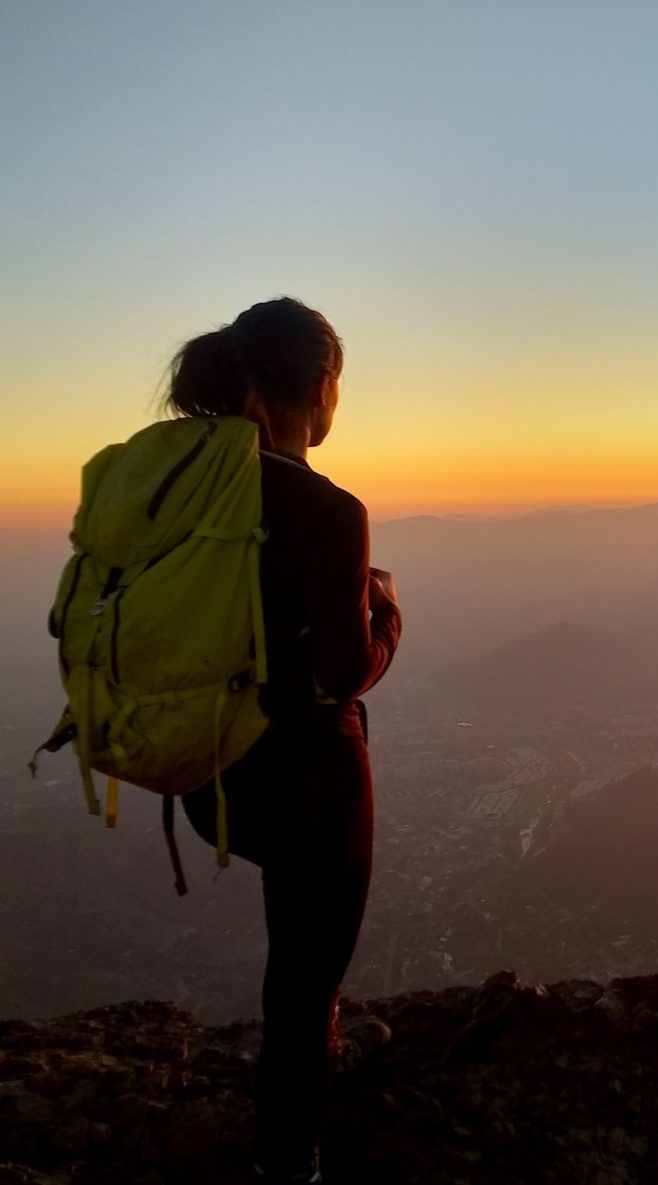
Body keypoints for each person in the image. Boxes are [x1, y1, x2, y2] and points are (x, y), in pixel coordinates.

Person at [166, 297, 402, 1185]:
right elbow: (342, 673)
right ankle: (287, 1163)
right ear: (323, 388)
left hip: (205, 771)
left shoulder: (173, 491)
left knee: (290, 959)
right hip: (306, 782)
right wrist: (386, 616)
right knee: (305, 984)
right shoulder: (328, 510)